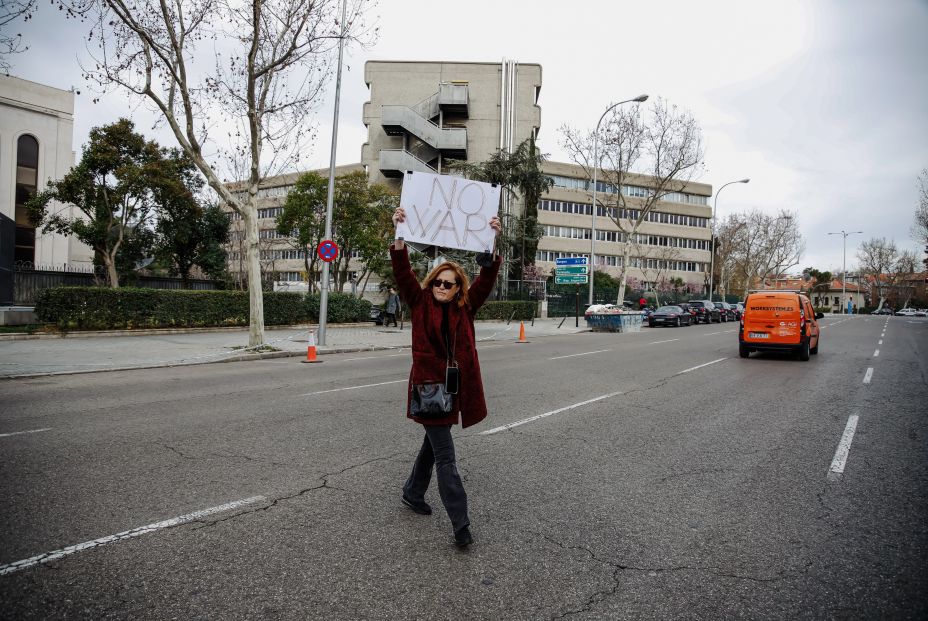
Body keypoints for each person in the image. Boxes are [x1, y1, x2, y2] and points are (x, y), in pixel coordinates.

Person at [390, 206, 502, 548]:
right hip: (428, 390)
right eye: (438, 281)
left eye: (449, 283)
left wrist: (493, 239)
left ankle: (412, 491)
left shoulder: (465, 308)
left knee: (432, 446)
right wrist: (399, 232)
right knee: (446, 458)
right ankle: (461, 526)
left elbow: (486, 278)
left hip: (452, 390)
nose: (442, 286)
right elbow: (402, 269)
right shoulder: (418, 301)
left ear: (458, 288)